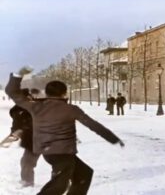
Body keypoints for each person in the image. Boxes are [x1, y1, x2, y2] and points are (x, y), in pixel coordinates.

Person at [5, 67, 125, 195]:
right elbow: (94, 125)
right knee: (58, 187)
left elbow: (12, 92)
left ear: (46, 93)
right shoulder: (71, 109)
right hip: (62, 153)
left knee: (84, 174)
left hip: (50, 151)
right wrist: (112, 138)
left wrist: (17, 75)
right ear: (64, 93)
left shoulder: (36, 107)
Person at [9, 88, 40, 187]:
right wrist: (15, 131)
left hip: (44, 137)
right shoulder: (17, 110)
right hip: (32, 140)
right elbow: (17, 123)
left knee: (59, 161)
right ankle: (27, 181)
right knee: (26, 161)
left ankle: (63, 181)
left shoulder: (35, 106)